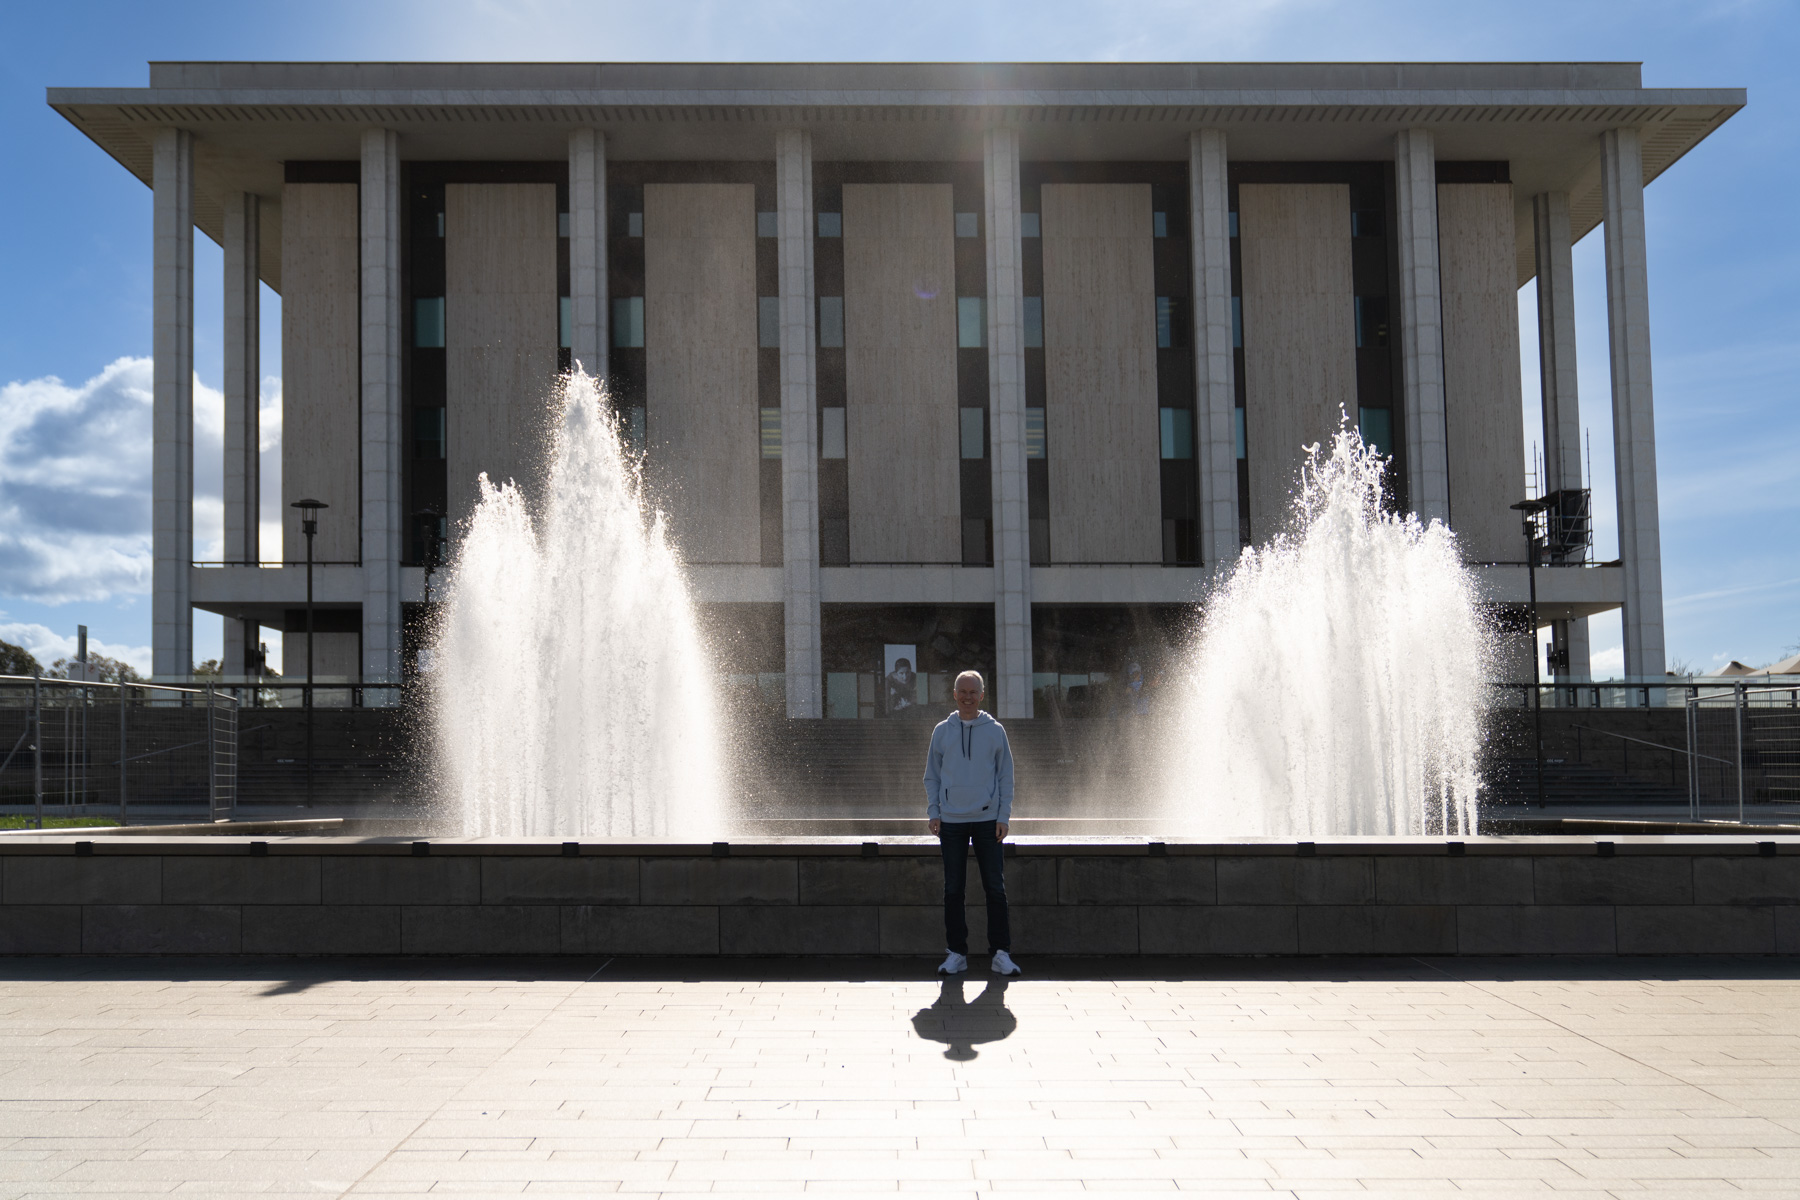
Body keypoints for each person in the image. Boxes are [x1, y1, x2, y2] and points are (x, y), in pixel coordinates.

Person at [923, 670, 1021, 976]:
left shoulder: (995, 731)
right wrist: (934, 811)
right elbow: (932, 776)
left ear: (982, 695)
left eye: (973, 692)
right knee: (953, 889)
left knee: (995, 888)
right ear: (954, 694)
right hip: (951, 821)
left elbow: (1006, 776)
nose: (967, 697)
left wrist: (1003, 816)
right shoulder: (941, 731)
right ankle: (956, 953)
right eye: (962, 691)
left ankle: (1001, 953)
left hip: (987, 820)